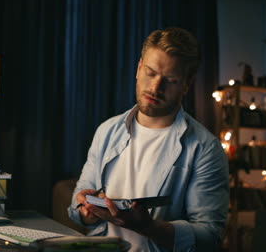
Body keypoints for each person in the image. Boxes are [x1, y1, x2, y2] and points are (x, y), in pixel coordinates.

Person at [67, 27, 229, 252]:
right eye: (150, 73)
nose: (155, 88)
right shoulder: (106, 131)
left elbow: (209, 236)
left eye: (170, 80)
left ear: (186, 84)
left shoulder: (205, 149)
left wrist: (148, 227)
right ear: (138, 68)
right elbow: (77, 205)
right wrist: (86, 211)